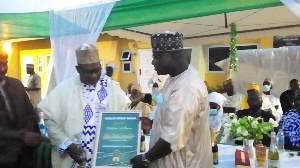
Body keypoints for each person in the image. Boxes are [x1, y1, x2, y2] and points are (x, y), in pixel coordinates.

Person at [38, 44, 130, 168]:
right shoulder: (65, 89)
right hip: (75, 159)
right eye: (88, 72)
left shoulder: (113, 88)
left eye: (96, 70)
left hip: (107, 158)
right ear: (78, 69)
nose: (93, 75)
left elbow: (125, 117)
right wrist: (67, 144)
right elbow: (49, 119)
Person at [130, 31, 213, 168]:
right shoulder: (172, 79)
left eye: (157, 57)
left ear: (174, 56)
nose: (152, 61)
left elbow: (173, 137)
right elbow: (171, 114)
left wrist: (146, 158)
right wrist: (152, 123)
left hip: (185, 163)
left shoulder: (186, 88)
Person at [0, 50, 46, 167]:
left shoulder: (16, 85)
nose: (2, 69)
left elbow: (30, 114)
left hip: (23, 155)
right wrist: (21, 135)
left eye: (4, 64)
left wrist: (28, 133)